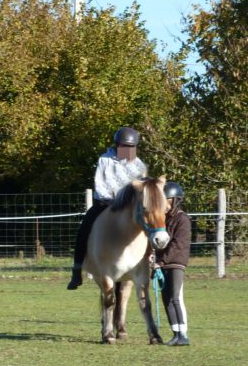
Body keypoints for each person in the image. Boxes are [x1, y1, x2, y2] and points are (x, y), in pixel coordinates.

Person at [67, 127, 147, 289]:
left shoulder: (138, 165)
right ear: (117, 145)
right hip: (105, 204)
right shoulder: (105, 160)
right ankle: (77, 270)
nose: (127, 150)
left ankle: (153, 263)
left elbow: (141, 188)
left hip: (128, 207)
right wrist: (114, 200)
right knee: (85, 227)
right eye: (124, 146)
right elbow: (100, 185)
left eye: (131, 147)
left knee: (149, 224)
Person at [154, 181, 191, 346]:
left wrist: (161, 261)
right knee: (166, 298)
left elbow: (178, 245)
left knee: (175, 298)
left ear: (175, 201)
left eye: (167, 202)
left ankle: (183, 334)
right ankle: (175, 333)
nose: (165, 206)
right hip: (163, 264)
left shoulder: (182, 220)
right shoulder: (164, 220)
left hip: (176, 263)